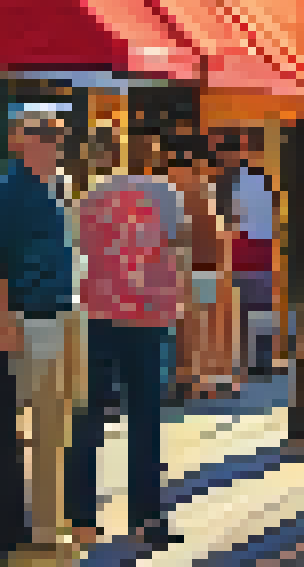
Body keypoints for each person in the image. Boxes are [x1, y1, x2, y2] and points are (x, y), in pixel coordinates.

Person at [66, 157, 189, 549]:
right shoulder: (165, 195)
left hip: (98, 313)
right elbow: (180, 247)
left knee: (90, 416)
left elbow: (77, 249)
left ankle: (82, 519)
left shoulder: (90, 197)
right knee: (145, 418)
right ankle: (145, 519)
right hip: (148, 315)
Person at [0, 103, 80, 557]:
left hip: (57, 317)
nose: (53, 143)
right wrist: (4, 320)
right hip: (18, 317)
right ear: (21, 139)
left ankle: (44, 527)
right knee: (2, 429)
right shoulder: (5, 191)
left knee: (53, 428)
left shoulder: (57, 187)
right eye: (43, 134)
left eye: (57, 135)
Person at [165, 136, 230, 401]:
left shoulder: (170, 188)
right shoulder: (204, 188)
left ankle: (186, 380)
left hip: (181, 266)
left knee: (184, 329)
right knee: (202, 328)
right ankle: (201, 380)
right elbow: (217, 232)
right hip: (206, 266)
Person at [225, 129, 278, 377]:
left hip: (243, 247)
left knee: (243, 307)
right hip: (263, 247)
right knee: (261, 307)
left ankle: (245, 360)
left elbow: (234, 219)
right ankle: (262, 359)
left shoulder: (238, 182)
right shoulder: (266, 180)